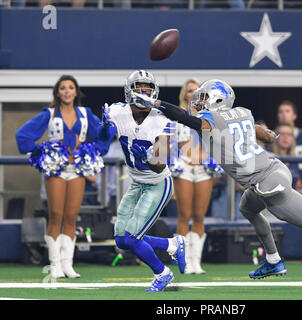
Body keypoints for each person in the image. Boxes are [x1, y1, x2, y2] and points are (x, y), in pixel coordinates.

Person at [132, 79, 302, 280]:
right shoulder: (240, 112)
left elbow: (184, 117)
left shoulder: (211, 120)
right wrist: (266, 133)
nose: (199, 102)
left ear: (217, 100)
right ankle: (273, 260)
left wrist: (155, 103)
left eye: (205, 98)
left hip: (268, 178)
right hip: (265, 174)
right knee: (247, 208)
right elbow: (245, 125)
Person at [98, 70, 186, 292]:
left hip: (158, 183)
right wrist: (103, 127)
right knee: (121, 239)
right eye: (139, 88)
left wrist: (145, 156)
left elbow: (161, 164)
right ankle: (172, 244)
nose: (144, 93)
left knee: (132, 236)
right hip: (137, 182)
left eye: (148, 89)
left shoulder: (162, 119)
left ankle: (162, 273)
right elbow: (101, 144)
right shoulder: (118, 111)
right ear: (130, 91)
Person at [16, 75, 108, 279]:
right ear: (58, 92)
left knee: (71, 216)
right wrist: (40, 154)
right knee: (56, 214)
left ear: (76, 92)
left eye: (71, 87)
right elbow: (23, 135)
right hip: (57, 169)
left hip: (77, 169)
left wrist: (93, 152)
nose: (67, 91)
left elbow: (102, 135)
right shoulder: (48, 114)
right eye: (63, 88)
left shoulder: (86, 114)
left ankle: (68, 264)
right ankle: (55, 263)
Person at [171, 78, 216, 274]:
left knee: (199, 216)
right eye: (190, 90)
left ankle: (196, 261)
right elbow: (167, 143)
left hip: (204, 169)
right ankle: (184, 261)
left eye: (197, 90)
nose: (193, 93)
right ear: (184, 94)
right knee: (184, 215)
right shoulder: (176, 115)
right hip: (184, 168)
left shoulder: (210, 117)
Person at [275, 100, 302, 190]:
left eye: (287, 111)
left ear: (295, 115)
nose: (284, 115)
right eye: (281, 112)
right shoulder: (273, 136)